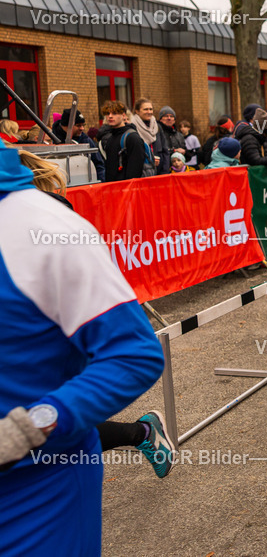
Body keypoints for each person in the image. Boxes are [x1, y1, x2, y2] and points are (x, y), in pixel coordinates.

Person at [0, 144, 164, 554]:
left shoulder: (40, 224)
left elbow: (134, 353)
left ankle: (141, 432)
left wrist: (29, 428)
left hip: (32, 494)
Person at [96, 100, 150, 181]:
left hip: (127, 189)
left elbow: (135, 170)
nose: (110, 116)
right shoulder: (110, 138)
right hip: (113, 188)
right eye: (107, 114)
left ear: (123, 115)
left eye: (114, 113)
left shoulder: (132, 138)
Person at [53, 109, 105, 181]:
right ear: (66, 125)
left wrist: (101, 182)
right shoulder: (51, 139)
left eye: (83, 125)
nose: (82, 128)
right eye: (78, 125)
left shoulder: (86, 140)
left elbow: (98, 164)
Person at [154, 106, 186, 175]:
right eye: (166, 116)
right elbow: (158, 151)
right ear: (160, 119)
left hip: (179, 171)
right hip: (163, 170)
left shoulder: (179, 135)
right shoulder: (157, 133)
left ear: (174, 119)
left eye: (171, 116)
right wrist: (174, 151)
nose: (169, 118)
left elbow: (185, 150)